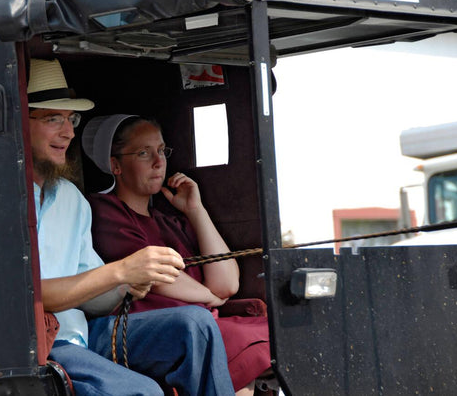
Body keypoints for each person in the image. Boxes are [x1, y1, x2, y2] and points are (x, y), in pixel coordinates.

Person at [27, 58, 235, 396]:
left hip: (87, 333)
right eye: (54, 119)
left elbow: (94, 298)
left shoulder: (70, 199)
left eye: (71, 119)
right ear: (22, 119)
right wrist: (122, 271)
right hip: (46, 344)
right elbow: (30, 296)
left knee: (195, 324)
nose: (68, 131)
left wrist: (130, 284)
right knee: (144, 392)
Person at [82, 114, 276, 395]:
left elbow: (227, 284)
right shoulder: (104, 211)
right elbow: (155, 274)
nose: (158, 162)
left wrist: (196, 211)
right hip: (153, 329)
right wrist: (209, 297)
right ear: (115, 165)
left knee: (272, 330)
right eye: (144, 153)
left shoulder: (168, 221)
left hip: (201, 329)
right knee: (228, 338)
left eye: (161, 150)